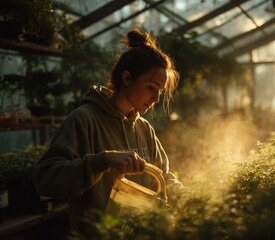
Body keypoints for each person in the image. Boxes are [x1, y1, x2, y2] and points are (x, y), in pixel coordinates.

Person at [33, 29, 182, 234]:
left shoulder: (144, 129)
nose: (156, 98)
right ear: (127, 78)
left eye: (160, 91)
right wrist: (102, 161)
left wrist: (189, 196)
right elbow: (46, 180)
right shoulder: (84, 120)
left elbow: (163, 177)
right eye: (151, 87)